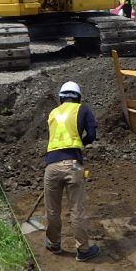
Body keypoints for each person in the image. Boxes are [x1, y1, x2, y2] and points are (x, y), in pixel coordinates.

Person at [43, 81, 100, 261]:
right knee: (77, 208)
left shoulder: (53, 113)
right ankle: (83, 250)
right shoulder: (82, 109)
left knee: (52, 209)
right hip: (73, 164)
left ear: (61, 97)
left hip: (51, 166)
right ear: (78, 97)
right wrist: (80, 144)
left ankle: (54, 244)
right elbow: (92, 134)